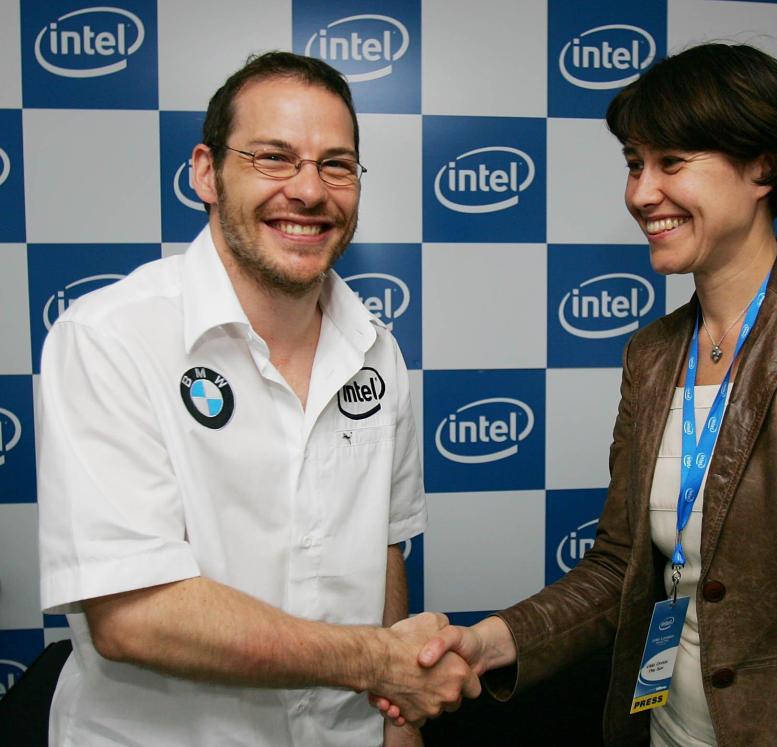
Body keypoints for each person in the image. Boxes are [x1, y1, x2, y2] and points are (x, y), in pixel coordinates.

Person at [376, 43, 777, 745]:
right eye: (635, 164)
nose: (642, 193)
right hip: (663, 726)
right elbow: (621, 568)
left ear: (762, 165)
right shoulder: (653, 354)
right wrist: (486, 642)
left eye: (671, 163)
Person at [36, 51, 479, 747]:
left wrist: (399, 717)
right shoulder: (109, 339)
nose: (308, 191)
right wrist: (380, 663)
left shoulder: (377, 352)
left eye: (336, 164)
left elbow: (383, 546)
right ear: (206, 173)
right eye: (274, 158)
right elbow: (131, 617)